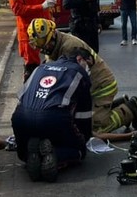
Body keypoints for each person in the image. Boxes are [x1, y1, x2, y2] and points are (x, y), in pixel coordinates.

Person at [27, 18, 137, 135]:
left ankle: (130, 109)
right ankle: (117, 104)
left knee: (93, 129)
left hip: (101, 86)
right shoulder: (53, 48)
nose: (44, 50)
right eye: (42, 48)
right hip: (90, 86)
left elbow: (72, 82)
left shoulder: (69, 48)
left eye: (46, 45)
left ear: (53, 35)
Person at [11, 49, 95, 182]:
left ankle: (30, 154)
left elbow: (23, 96)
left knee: (23, 153)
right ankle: (56, 155)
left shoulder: (40, 67)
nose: (88, 69)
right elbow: (83, 117)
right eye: (88, 64)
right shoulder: (79, 72)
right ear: (80, 59)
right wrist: (83, 140)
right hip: (53, 119)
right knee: (79, 151)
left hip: (21, 118)